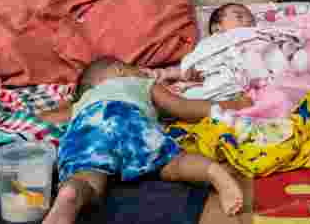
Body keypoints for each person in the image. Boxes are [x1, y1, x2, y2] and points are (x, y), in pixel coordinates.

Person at [39, 57, 247, 224]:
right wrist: (233, 104)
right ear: (119, 70)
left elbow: (49, 118)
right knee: (173, 163)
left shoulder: (82, 103)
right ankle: (215, 174)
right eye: (135, 68)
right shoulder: (138, 83)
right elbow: (184, 108)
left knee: (87, 178)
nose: (143, 73)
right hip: (127, 122)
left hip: (89, 130)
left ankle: (72, 192)